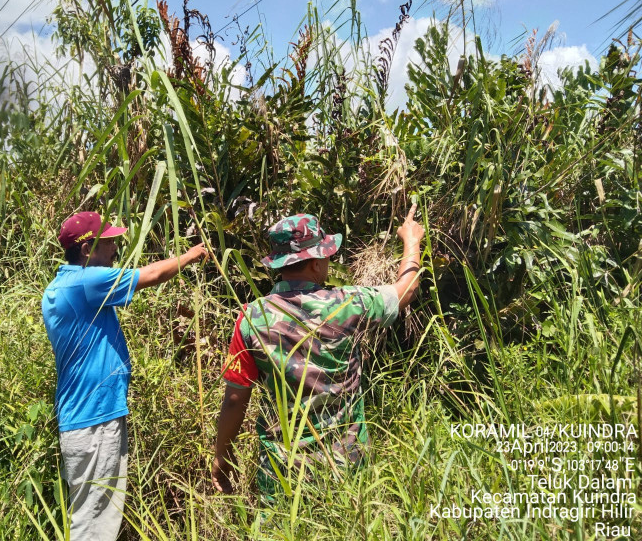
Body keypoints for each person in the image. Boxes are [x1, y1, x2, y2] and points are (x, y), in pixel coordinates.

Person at [212, 207, 425, 499]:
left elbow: (236, 398)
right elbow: (406, 290)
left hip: (282, 472)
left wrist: (221, 458)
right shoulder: (350, 304)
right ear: (314, 265)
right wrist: (412, 240)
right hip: (347, 467)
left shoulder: (251, 318)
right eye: (326, 255)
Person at [42, 211, 208, 540]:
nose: (116, 248)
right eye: (109, 243)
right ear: (87, 249)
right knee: (93, 525)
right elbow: (152, 274)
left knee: (91, 516)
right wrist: (191, 255)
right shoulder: (84, 283)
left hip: (86, 420)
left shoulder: (62, 285)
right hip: (94, 422)